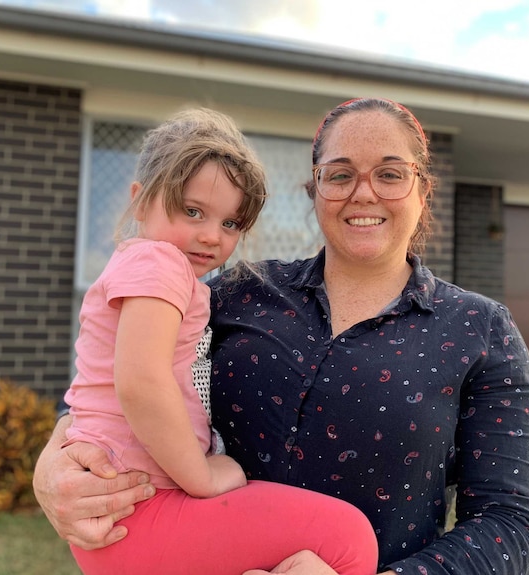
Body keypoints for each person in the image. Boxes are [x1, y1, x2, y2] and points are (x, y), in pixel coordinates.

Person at [34, 98, 529, 575]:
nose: (363, 192)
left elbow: (511, 527)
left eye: (390, 174)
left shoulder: (480, 331)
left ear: (422, 189)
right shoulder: (235, 294)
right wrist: (53, 468)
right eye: (339, 174)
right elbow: (122, 378)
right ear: (314, 191)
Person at [60, 107, 378, 575]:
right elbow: (140, 381)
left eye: (230, 224)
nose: (211, 236)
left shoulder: (151, 269)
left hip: (124, 512)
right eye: (192, 211)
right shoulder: (159, 265)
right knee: (347, 540)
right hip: (140, 509)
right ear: (141, 200)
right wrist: (202, 474)